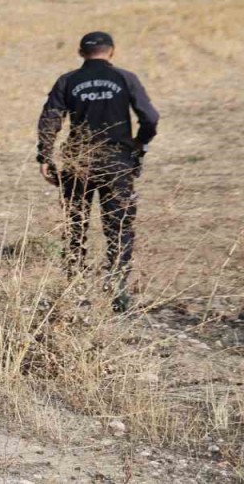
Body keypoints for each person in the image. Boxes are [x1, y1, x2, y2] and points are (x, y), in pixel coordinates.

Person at [36, 31, 159, 312]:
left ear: (81, 53)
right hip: (118, 163)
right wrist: (139, 143)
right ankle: (117, 289)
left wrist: (45, 155)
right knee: (119, 226)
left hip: (78, 163)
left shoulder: (68, 80)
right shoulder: (125, 78)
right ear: (112, 51)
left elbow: (50, 118)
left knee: (74, 226)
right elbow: (150, 117)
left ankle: (76, 288)